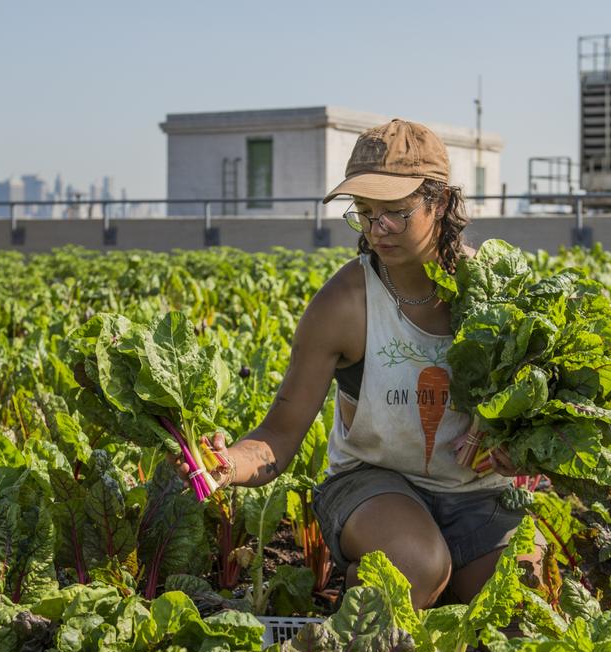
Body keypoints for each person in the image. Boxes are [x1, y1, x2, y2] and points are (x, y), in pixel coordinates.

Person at [184, 118, 544, 610]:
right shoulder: (345, 303)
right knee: (415, 562)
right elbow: (281, 433)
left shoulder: (496, 290)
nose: (378, 229)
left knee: (521, 611)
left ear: (439, 202)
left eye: (395, 212)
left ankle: (435, 599)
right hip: (370, 487)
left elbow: (541, 420)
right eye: (366, 213)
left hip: (477, 494)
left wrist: (515, 449)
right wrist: (228, 464)